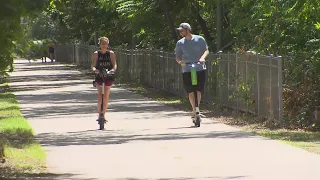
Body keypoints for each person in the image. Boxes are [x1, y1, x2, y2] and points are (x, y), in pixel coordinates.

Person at [175, 23, 209, 121]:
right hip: (187, 68)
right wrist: (180, 62)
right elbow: (177, 56)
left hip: (200, 67)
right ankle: (194, 110)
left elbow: (206, 50)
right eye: (180, 31)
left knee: (198, 89)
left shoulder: (200, 39)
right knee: (190, 90)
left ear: (188, 30)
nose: (180, 32)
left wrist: (202, 58)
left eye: (182, 30)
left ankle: (197, 110)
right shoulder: (180, 43)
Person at [91, 37, 117, 121]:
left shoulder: (111, 53)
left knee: (106, 96)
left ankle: (104, 114)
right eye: (102, 44)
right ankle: (99, 114)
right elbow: (93, 65)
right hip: (99, 76)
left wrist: (112, 70)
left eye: (105, 44)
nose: (104, 45)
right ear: (100, 44)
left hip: (108, 76)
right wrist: (95, 70)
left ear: (108, 44)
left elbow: (115, 65)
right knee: (100, 96)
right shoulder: (96, 53)